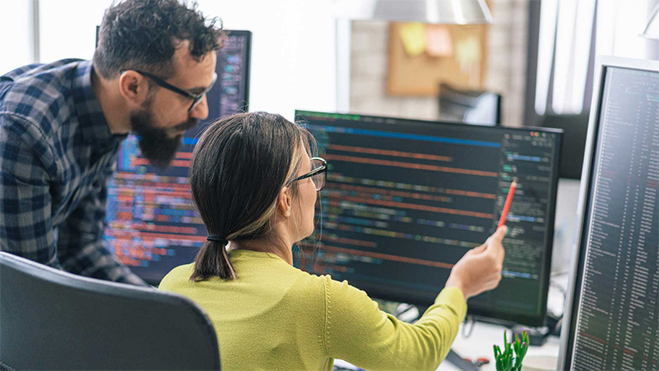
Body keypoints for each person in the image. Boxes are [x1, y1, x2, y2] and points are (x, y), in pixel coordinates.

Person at [159, 111, 508, 370]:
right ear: (285, 200)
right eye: (310, 174)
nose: (315, 187)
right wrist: (460, 286)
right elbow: (418, 354)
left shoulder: (173, 287)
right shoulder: (319, 301)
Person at [0, 0, 224, 285]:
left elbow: (80, 247)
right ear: (132, 86)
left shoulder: (106, 109)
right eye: (193, 95)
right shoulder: (26, 131)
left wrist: (161, 310)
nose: (203, 111)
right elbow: (34, 291)